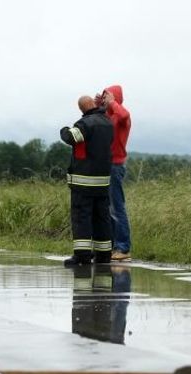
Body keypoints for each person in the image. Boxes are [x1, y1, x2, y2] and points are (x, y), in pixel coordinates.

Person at [60, 96, 114, 266]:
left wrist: (64, 129)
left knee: (82, 218)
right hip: (103, 182)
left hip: (84, 183)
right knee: (102, 218)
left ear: (82, 109)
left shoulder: (85, 124)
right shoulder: (108, 123)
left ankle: (82, 256)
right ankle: (104, 255)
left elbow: (71, 137)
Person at [96, 85, 132, 261]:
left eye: (107, 96)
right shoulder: (108, 115)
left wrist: (112, 102)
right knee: (107, 208)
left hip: (115, 166)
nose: (104, 99)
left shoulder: (121, 115)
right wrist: (98, 106)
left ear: (115, 97)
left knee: (117, 208)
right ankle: (112, 247)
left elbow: (124, 115)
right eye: (103, 96)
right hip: (104, 165)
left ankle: (123, 248)